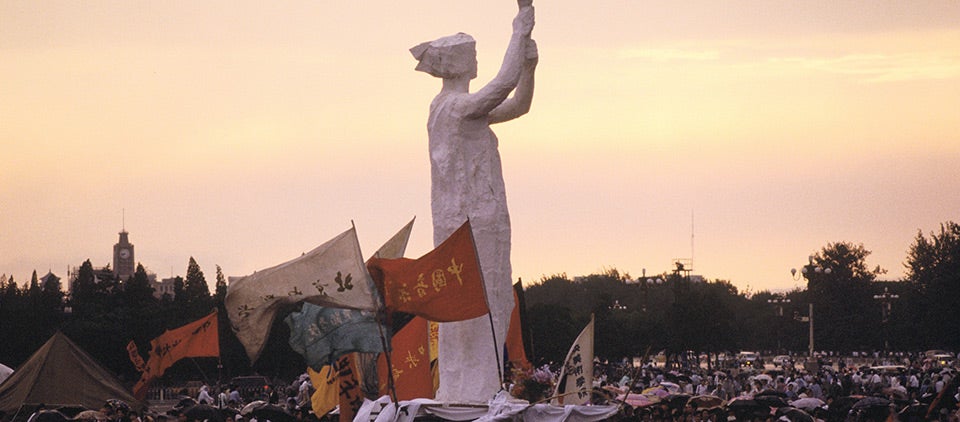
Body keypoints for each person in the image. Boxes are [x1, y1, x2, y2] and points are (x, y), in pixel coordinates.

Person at [410, 0, 538, 402]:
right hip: (470, 217)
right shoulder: (453, 107)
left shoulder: (459, 108)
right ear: (458, 63)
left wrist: (530, 69)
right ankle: (472, 387)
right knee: (476, 301)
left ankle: (476, 382)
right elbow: (502, 84)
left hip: (482, 213)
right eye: (473, 53)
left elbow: (517, 105)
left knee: (494, 296)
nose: (478, 58)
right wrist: (520, 27)